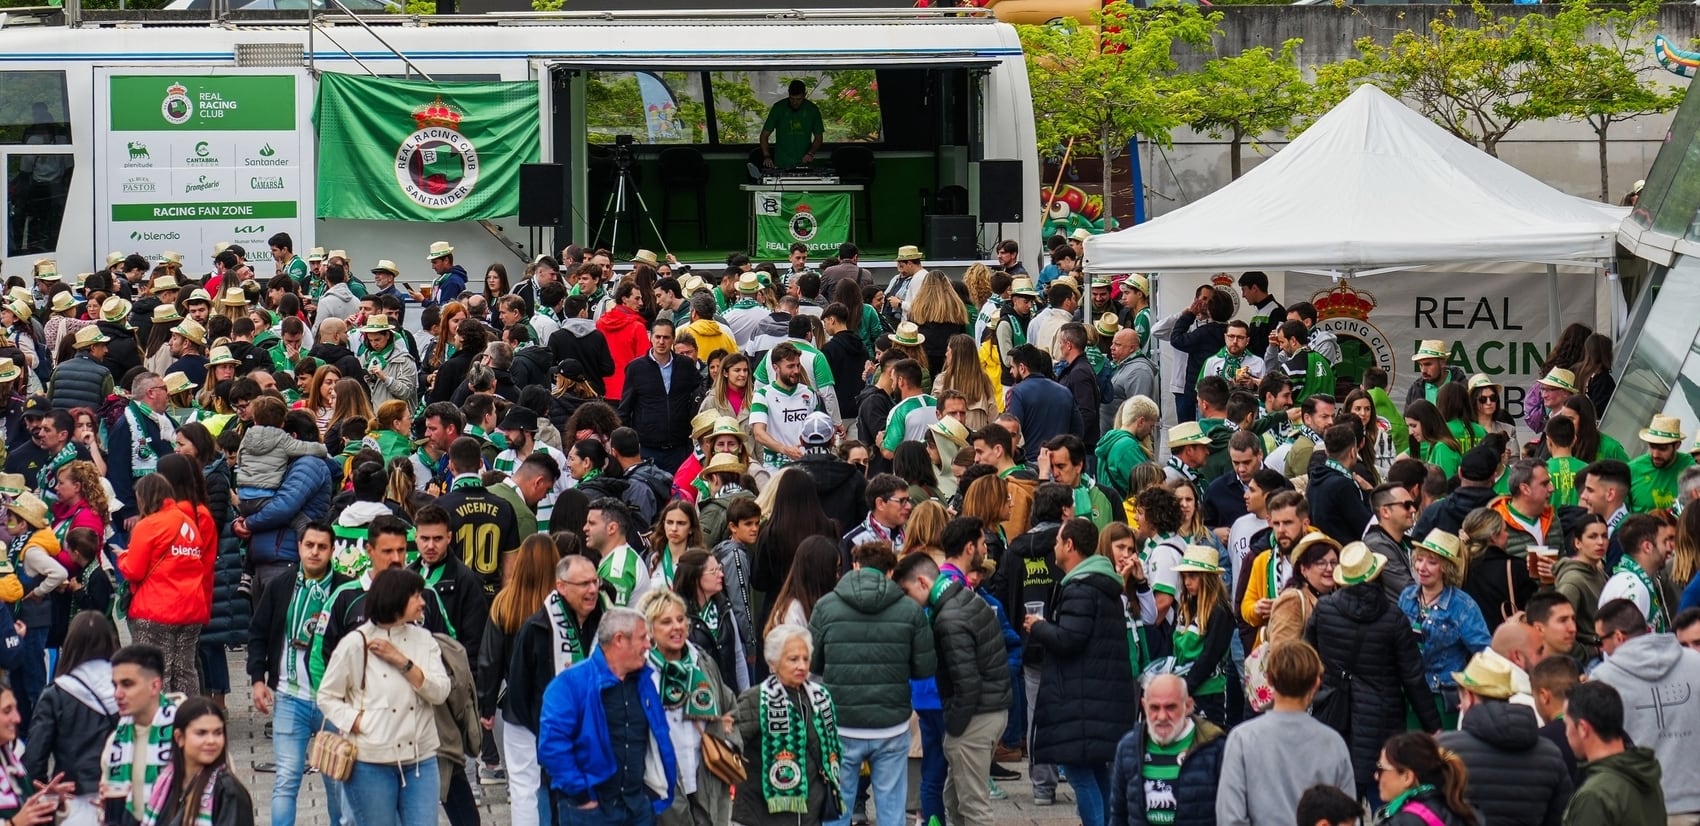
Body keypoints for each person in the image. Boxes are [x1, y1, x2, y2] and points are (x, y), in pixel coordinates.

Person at [808, 540, 933, 826]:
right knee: (891, 805)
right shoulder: (910, 611)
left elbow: (813, 664)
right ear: (891, 572)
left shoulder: (826, 606)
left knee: (839, 805)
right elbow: (924, 668)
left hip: (840, 722)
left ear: (855, 566)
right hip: (891, 723)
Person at [317, 567, 452, 826]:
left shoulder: (424, 640)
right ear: (396, 599)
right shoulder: (355, 643)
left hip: (420, 759)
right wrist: (358, 722)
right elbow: (327, 695)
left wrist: (403, 662)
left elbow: (440, 692)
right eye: (416, 595)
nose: (423, 602)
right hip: (371, 761)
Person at [1306, 542, 1439, 803]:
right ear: (1376, 574)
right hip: (1382, 717)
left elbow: (1308, 657)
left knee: (1339, 799)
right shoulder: (1394, 617)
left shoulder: (1325, 610)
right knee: (1383, 795)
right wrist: (1432, 726)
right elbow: (1412, 678)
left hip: (1334, 712)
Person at [1024, 517, 1136, 826]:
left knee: (1078, 771)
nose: (1055, 547)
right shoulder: (1102, 583)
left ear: (1070, 545)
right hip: (1096, 696)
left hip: (1082, 697)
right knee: (1095, 770)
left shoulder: (1081, 588)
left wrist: (1040, 627)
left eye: (1058, 541)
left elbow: (1069, 639)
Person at [893, 534, 1012, 826]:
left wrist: (954, 728)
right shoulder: (961, 600)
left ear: (922, 583)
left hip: (975, 717)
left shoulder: (949, 618)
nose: (908, 603)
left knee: (972, 806)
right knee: (955, 800)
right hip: (987, 710)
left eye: (907, 593)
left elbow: (966, 681)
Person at [245, 521, 351, 826]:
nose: (315, 552)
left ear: (332, 550)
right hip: (291, 696)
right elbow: (258, 633)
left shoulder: (344, 590)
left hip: (334, 703)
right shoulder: (281, 585)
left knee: (336, 781)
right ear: (300, 547)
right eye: (309, 545)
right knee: (286, 779)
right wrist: (256, 679)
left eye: (322, 547)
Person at [538, 607, 678, 824]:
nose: (648, 645)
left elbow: (658, 736)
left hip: (637, 808)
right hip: (590, 812)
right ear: (619, 640)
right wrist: (581, 795)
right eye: (642, 638)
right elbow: (552, 746)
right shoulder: (570, 684)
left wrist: (652, 793)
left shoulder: (644, 683)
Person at [499, 553, 602, 826]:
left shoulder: (604, 621)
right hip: (549, 733)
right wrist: (544, 728)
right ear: (562, 586)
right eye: (583, 584)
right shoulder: (537, 628)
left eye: (595, 582)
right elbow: (519, 689)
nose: (592, 590)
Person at [1216, 639, 1354, 826]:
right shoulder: (1333, 742)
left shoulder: (1242, 739)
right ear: (1316, 683)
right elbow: (1347, 816)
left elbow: (1230, 816)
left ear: (1270, 679)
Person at [634, 588, 738, 826]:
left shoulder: (702, 662)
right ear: (650, 630)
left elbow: (730, 706)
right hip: (663, 781)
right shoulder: (642, 672)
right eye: (666, 622)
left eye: (680, 619)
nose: (676, 627)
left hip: (707, 774)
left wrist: (727, 735)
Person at [1589, 598, 1700, 820]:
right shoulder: (1695, 664)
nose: (1601, 648)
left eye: (1600, 640)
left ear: (1618, 637)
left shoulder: (1602, 679)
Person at [1435, 651, 1571, 826]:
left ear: (1469, 695)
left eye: (1460, 697)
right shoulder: (1551, 755)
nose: (1459, 705)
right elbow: (1562, 817)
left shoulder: (1446, 749)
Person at [117, 473, 212, 697]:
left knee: (155, 674)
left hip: (156, 609)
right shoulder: (188, 522)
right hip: (191, 608)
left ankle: (161, 727)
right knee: (186, 671)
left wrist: (123, 557)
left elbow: (134, 570)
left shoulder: (147, 525)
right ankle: (190, 722)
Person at [25, 611, 118, 826]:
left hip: (72, 801)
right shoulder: (126, 691)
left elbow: (35, 759)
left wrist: (45, 799)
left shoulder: (56, 693)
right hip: (120, 798)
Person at [1105, 671, 1225, 826]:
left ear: (1188, 706)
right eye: (1154, 707)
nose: (1162, 716)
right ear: (1144, 706)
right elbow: (1118, 815)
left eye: (1170, 707)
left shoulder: (1215, 748)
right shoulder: (1128, 748)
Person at [1562, 680, 1667, 826]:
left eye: (1566, 725)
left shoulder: (1594, 795)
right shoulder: (1647, 775)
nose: (1566, 733)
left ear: (1582, 728)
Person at [143, 696, 255, 826]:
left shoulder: (228, 792)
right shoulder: (166, 784)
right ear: (179, 737)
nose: (211, 741)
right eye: (201, 733)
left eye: (218, 733)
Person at [99, 644, 176, 826]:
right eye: (115, 685)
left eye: (127, 684)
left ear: (155, 686)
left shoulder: (186, 731)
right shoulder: (116, 740)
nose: (117, 694)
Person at [618, 319, 700, 472]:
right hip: (647, 448)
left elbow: (700, 392)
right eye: (658, 337)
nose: (661, 342)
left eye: (666, 337)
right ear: (651, 337)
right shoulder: (636, 368)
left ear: (673, 340)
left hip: (679, 447)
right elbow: (625, 407)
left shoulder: (685, 365)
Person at [1374, 732, 1478, 826]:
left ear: (1407, 777)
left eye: (1381, 769)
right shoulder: (1460, 810)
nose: (1376, 776)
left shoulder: (1402, 822)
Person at [1599, 513, 1675, 632]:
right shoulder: (1632, 588)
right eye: (1664, 541)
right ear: (1647, 547)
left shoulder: (1636, 581)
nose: (1670, 548)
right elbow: (1625, 644)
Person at [1554, 511, 1610, 653]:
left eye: (1604, 536)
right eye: (1592, 537)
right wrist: (1588, 653)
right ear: (1577, 543)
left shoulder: (1599, 571)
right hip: (1589, 662)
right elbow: (1558, 631)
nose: (1600, 542)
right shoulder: (1572, 582)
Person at [586, 498, 651, 608]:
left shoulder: (617, 568)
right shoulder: (620, 558)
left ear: (612, 528)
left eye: (592, 523)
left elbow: (613, 619)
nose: (585, 528)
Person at [760, 79, 824, 169]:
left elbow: (819, 137)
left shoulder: (812, 110)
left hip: (804, 163)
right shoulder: (778, 108)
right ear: (788, 94)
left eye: (798, 99)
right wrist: (767, 156)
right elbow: (764, 135)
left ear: (804, 95)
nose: (795, 102)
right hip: (781, 163)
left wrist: (810, 153)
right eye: (792, 98)